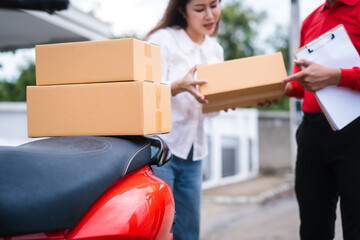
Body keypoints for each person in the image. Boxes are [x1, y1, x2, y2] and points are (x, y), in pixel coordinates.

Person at [145, 0, 223, 239]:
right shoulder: (162, 40)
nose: (209, 15)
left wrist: (226, 102)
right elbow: (145, 92)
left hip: (193, 152)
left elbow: (210, 108)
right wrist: (178, 86)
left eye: (214, 5)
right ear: (182, 10)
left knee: (188, 231)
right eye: (199, 9)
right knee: (159, 229)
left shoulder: (215, 49)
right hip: (161, 150)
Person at [282, 0, 360, 239]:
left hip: (354, 129)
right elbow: (301, 83)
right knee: (312, 227)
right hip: (312, 131)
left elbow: (328, 78)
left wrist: (336, 77)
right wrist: (273, 89)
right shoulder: (310, 20)